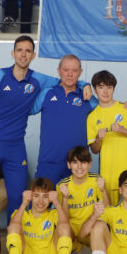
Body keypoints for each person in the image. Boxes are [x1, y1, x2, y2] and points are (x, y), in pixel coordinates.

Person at [0, 35, 90, 220]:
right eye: (20, 50)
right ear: (13, 53)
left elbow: (64, 79)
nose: (23, 54)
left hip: (15, 146)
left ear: (33, 55)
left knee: (20, 196)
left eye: (28, 51)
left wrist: (86, 84)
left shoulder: (37, 79)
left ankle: (15, 242)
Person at [31, 55, 96, 185]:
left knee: (76, 205)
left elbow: (107, 108)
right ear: (59, 70)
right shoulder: (47, 93)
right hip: (49, 162)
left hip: (78, 165)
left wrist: (126, 106)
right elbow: (23, 110)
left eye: (74, 70)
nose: (70, 74)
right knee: (42, 203)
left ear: (80, 72)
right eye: (66, 70)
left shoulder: (87, 96)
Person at [7, 177, 73, 254]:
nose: (41, 201)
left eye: (45, 197)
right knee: (13, 227)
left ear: (50, 199)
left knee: (65, 228)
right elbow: (12, 228)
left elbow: (67, 229)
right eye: (36, 196)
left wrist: (57, 203)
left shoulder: (54, 214)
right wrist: (24, 204)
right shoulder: (21, 214)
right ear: (31, 196)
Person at [87, 70, 127, 205]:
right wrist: (99, 139)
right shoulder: (92, 116)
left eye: (109, 87)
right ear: (95, 90)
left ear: (114, 89)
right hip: (107, 174)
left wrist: (123, 130)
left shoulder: (126, 109)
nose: (105, 92)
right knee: (109, 215)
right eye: (101, 87)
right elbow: (94, 149)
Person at [56, 146, 110, 254]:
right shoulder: (62, 185)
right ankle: (77, 248)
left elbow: (107, 209)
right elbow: (63, 218)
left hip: (90, 227)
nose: (79, 167)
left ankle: (92, 251)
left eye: (83, 162)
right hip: (73, 232)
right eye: (75, 162)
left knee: (99, 226)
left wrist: (104, 190)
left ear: (89, 164)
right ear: (69, 165)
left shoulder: (96, 180)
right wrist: (64, 198)